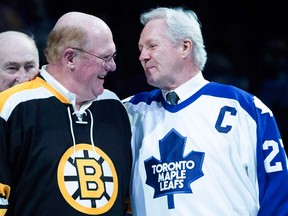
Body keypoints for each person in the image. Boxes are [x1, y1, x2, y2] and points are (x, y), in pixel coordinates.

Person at [122, 7, 288, 215]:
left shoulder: (245, 109)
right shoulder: (128, 112)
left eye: (152, 46)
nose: (142, 56)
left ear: (185, 47)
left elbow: (278, 194)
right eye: (140, 48)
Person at [0, 12, 131, 215]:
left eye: (113, 57)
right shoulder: (11, 107)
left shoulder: (115, 107)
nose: (113, 66)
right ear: (70, 58)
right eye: (105, 58)